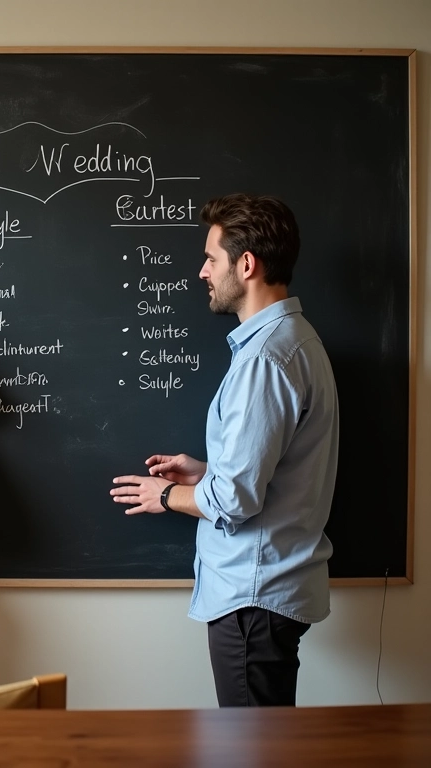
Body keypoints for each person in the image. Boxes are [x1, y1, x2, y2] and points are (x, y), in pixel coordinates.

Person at [110, 194, 339, 707]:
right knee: (266, 744)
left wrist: (166, 496)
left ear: (247, 264)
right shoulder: (296, 341)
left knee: (249, 751)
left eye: (212, 258)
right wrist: (207, 471)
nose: (202, 272)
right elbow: (270, 472)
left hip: (252, 596)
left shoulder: (265, 359)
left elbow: (235, 499)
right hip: (270, 591)